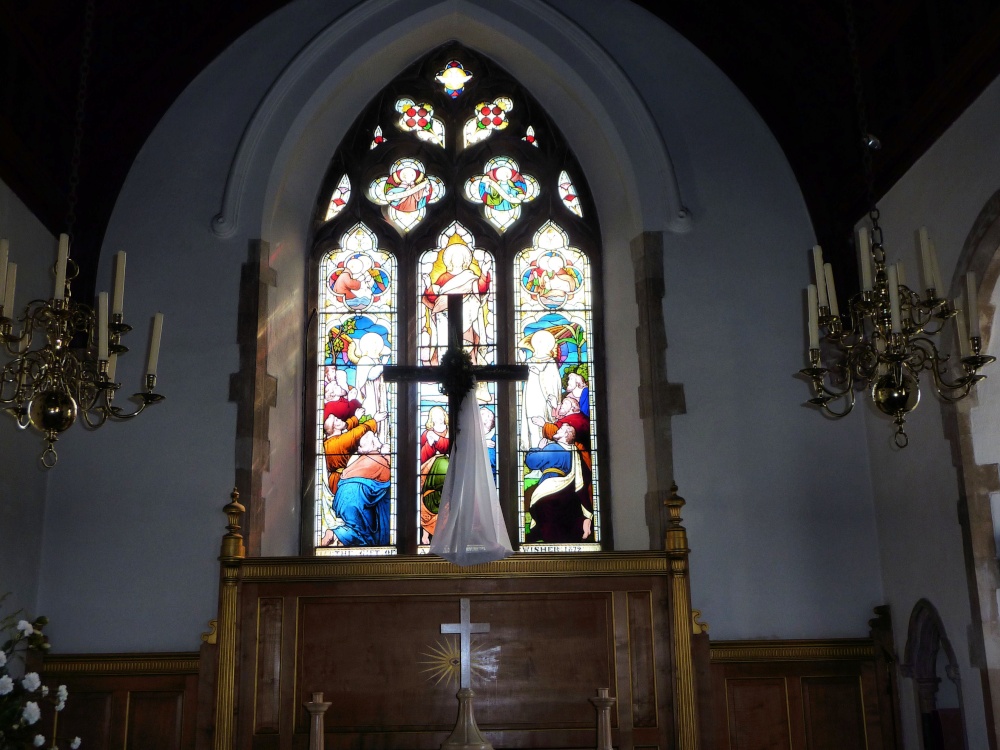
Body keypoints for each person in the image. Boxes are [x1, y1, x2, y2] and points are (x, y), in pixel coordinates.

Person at [421, 235, 493, 365]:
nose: (457, 260)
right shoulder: (443, 278)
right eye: (455, 257)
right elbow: (433, 300)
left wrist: (484, 272)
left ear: (465, 259)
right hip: (445, 318)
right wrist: (428, 286)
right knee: (446, 344)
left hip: (468, 315)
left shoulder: (470, 276)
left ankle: (469, 368)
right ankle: (445, 366)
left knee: (467, 344)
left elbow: (480, 288)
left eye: (460, 257)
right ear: (450, 260)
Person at [524, 423, 593, 543]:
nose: (557, 430)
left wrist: (539, 448)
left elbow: (532, 461)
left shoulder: (553, 448)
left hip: (548, 492)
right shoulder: (574, 453)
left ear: (566, 435)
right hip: (567, 493)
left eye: (560, 429)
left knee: (549, 525)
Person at [325, 430, 391, 547]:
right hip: (354, 500)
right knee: (361, 531)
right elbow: (387, 477)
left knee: (357, 527)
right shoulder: (377, 459)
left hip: (342, 497)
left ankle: (333, 535)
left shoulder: (362, 459)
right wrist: (387, 455)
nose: (377, 439)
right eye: (375, 439)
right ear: (373, 445)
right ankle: (335, 534)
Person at [519, 329, 561, 450]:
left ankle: (545, 457)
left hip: (544, 401)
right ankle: (534, 452)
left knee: (542, 425)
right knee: (531, 425)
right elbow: (519, 377)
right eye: (537, 341)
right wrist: (522, 362)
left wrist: (539, 374)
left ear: (549, 345)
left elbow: (554, 383)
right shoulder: (529, 360)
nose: (539, 344)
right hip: (530, 397)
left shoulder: (550, 362)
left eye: (542, 342)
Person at [419, 405, 450, 545]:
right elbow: (423, 455)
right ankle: (426, 534)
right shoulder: (426, 433)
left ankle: (447, 534)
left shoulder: (450, 431)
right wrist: (430, 443)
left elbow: (447, 447)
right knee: (429, 495)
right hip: (431, 467)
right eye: (434, 415)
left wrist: (437, 439)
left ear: (444, 415)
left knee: (446, 497)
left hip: (448, 467)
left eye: (440, 414)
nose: (438, 418)